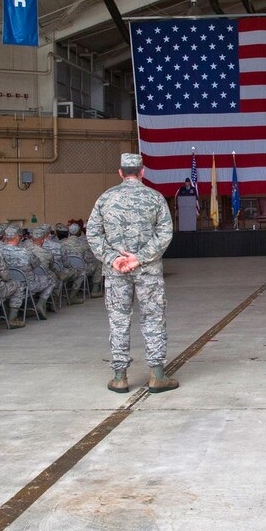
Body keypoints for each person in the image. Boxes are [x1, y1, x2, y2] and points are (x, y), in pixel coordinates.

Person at [89, 153, 176, 393]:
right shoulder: (155, 198)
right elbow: (165, 233)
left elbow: (94, 235)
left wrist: (114, 259)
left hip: (116, 271)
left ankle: (119, 377)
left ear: (120, 172)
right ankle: (157, 375)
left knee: (118, 320)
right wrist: (139, 258)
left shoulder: (105, 199)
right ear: (142, 172)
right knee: (153, 318)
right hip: (147, 270)